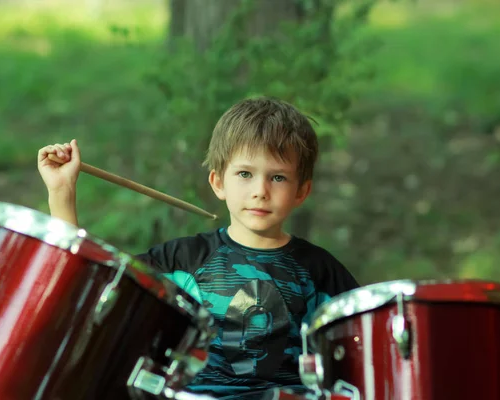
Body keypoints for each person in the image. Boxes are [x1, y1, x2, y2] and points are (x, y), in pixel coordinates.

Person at [37, 97, 359, 399]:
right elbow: (88, 286)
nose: (260, 191)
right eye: (245, 174)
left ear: (301, 191)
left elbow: (364, 358)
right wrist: (62, 194)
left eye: (277, 178)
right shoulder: (182, 262)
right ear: (218, 182)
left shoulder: (321, 273)